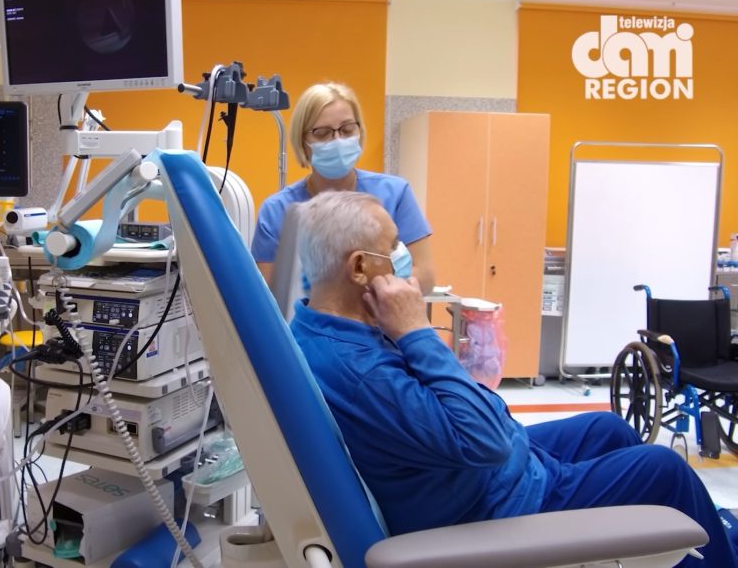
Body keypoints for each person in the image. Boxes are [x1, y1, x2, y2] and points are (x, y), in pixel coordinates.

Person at [288, 190, 737, 567]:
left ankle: (683, 539)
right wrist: (416, 331)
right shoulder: (361, 370)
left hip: (480, 475)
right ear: (359, 268)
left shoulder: (316, 328)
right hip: (495, 505)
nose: (405, 255)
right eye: (394, 245)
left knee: (609, 428)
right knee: (665, 471)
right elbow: (485, 440)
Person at [251, 82, 435, 295]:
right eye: (322, 133)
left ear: (359, 131)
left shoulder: (395, 194)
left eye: (347, 130)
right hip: (307, 318)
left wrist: (357, 300)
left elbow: (424, 277)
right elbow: (269, 296)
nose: (338, 140)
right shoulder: (277, 210)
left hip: (384, 316)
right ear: (302, 142)